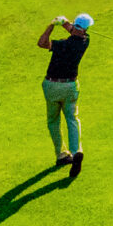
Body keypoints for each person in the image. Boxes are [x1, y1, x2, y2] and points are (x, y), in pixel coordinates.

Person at [36, 12, 94, 173]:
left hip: (52, 86)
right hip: (71, 86)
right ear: (85, 29)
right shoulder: (85, 41)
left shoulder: (61, 45)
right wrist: (65, 23)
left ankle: (62, 154)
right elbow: (74, 30)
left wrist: (51, 26)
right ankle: (77, 152)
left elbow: (42, 43)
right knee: (72, 119)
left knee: (53, 121)